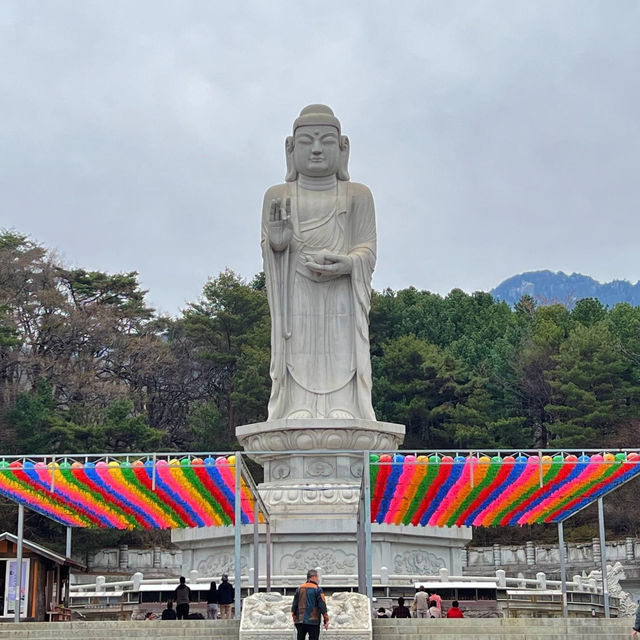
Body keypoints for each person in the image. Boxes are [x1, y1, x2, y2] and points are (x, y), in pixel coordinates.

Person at [262, 104, 377, 421]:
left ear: (343, 148)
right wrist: (278, 242)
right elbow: (272, 251)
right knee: (299, 344)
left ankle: (343, 403)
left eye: (326, 141)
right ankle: (299, 404)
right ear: (290, 148)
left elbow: (367, 247)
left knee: (341, 345)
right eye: (306, 141)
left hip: (342, 289)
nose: (315, 150)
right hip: (295, 287)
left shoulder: (357, 195)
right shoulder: (278, 196)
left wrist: (350, 263)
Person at [291, 569, 329, 640]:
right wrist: (326, 619)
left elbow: (294, 605)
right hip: (313, 621)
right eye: (317, 577)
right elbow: (322, 605)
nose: (318, 578)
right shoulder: (318, 589)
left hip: (300, 621)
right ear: (314, 577)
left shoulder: (299, 588)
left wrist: (294, 619)